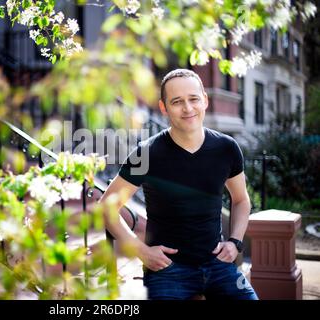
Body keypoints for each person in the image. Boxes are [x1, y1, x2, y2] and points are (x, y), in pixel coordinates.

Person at [99, 69, 258, 300]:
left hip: (218, 265)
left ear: (205, 99)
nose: (188, 108)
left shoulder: (227, 148)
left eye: (194, 99)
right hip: (167, 270)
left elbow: (241, 200)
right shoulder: (147, 153)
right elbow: (107, 207)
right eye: (177, 102)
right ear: (163, 108)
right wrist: (141, 251)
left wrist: (235, 242)